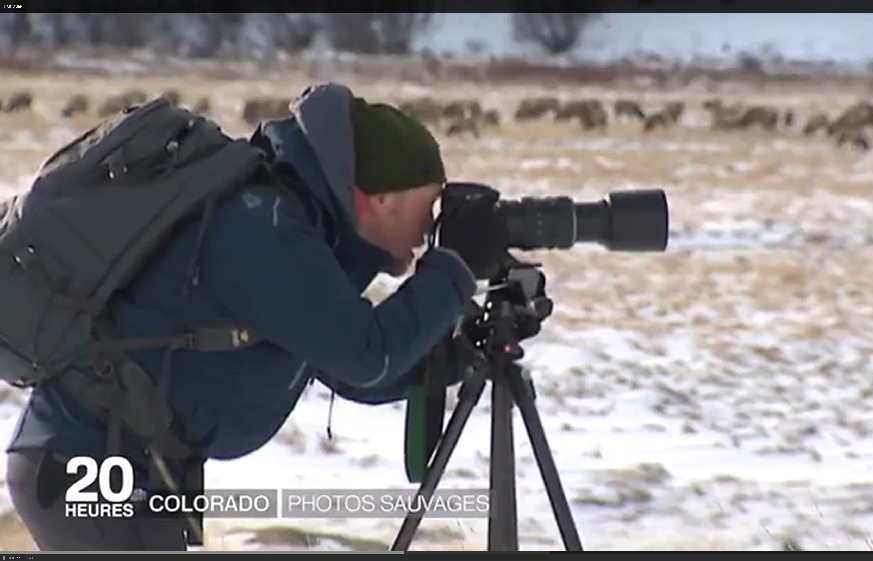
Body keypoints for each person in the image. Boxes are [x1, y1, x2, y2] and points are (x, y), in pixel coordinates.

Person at [4, 81, 508, 551]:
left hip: (126, 469)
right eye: (429, 208)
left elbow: (343, 366)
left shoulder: (298, 230)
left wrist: (455, 356)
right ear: (378, 199)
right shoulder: (264, 229)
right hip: (88, 469)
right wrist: (454, 268)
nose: (432, 228)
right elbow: (364, 355)